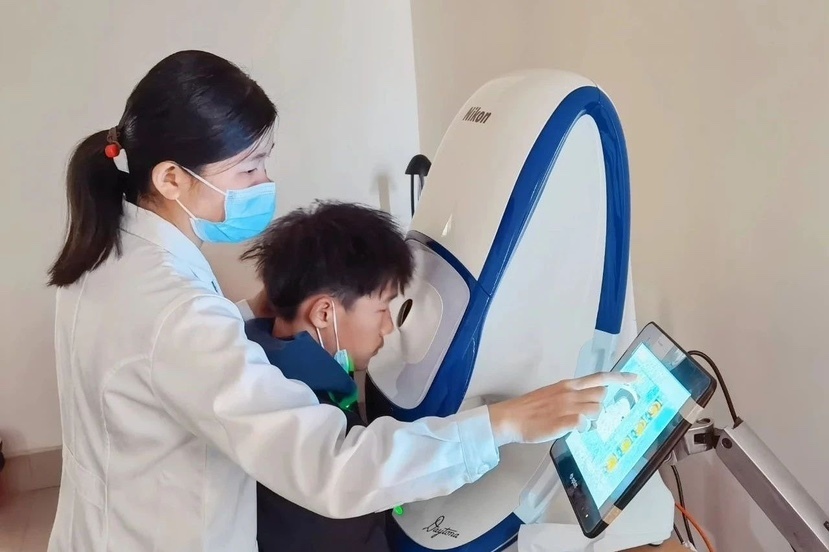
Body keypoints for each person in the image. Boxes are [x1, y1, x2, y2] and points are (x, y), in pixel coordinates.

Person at [45, 50, 634, 551]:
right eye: (248, 169)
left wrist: (255, 310)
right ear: (171, 177)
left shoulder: (106, 252)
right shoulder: (177, 311)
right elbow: (329, 466)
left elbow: (164, 361)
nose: (264, 184)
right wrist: (503, 423)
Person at [241, 201, 412, 552]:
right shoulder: (299, 407)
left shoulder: (264, 356)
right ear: (323, 313)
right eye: (382, 309)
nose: (388, 327)